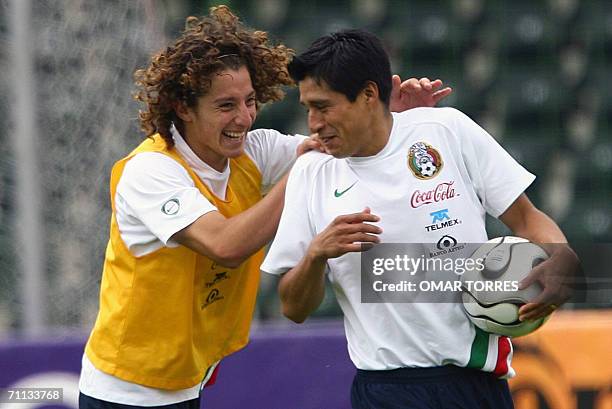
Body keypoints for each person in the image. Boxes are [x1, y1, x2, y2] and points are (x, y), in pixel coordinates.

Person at [78, 6, 451, 409]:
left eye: (251, 100)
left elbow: (335, 145)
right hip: (124, 390)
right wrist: (304, 170)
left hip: (186, 380)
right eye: (226, 106)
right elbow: (226, 245)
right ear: (183, 108)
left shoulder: (251, 151)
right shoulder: (151, 171)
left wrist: (385, 116)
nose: (244, 118)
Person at [261, 29, 579, 409]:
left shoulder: (445, 131)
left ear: (367, 95)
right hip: (385, 391)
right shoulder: (312, 173)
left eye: (324, 106)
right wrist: (316, 256)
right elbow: (293, 308)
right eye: (307, 108)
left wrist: (561, 257)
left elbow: (528, 220)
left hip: (473, 386)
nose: (313, 123)